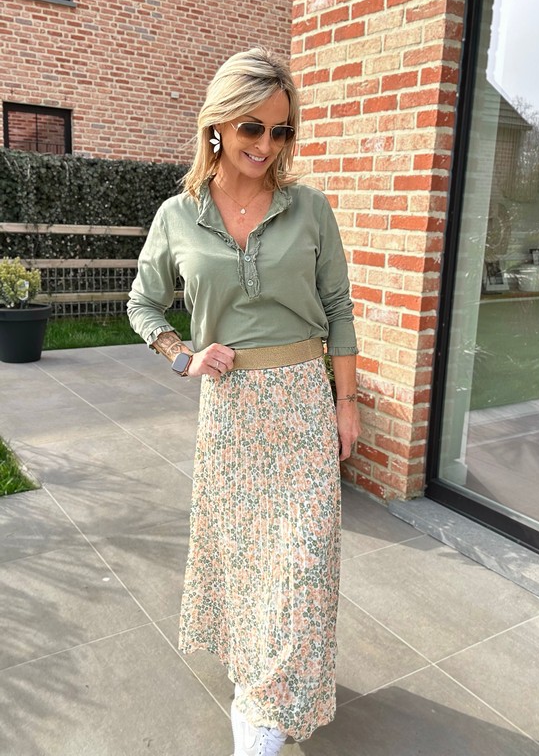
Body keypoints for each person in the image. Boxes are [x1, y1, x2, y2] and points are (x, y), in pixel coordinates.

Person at [127, 47, 360, 756]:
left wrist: (346, 402)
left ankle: (264, 703)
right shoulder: (177, 216)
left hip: (303, 401)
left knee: (303, 562)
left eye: (281, 131)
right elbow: (143, 304)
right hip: (230, 410)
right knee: (247, 556)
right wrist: (183, 356)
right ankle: (257, 689)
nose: (267, 145)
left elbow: (339, 307)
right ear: (218, 126)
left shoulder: (309, 208)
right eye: (253, 127)